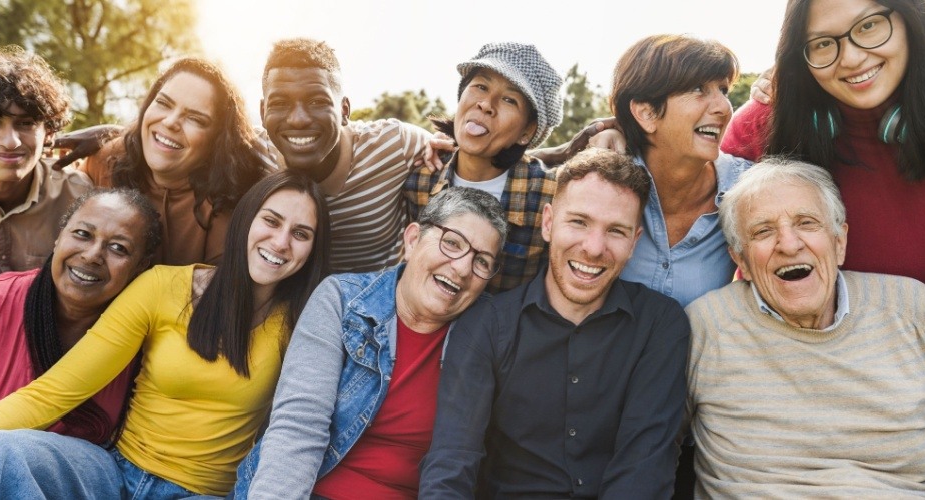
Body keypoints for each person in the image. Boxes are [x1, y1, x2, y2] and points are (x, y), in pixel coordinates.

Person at [0, 170, 329, 498]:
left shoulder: (303, 324)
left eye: (301, 234)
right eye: (270, 220)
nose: (281, 242)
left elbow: (300, 433)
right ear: (245, 221)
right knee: (4, 452)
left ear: (313, 249)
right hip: (114, 474)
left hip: (201, 493)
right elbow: (53, 392)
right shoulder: (162, 286)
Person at [685, 158, 925, 497]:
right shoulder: (706, 325)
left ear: (839, 242)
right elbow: (656, 448)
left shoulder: (913, 307)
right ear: (741, 261)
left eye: (807, 223)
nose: (789, 244)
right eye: (763, 231)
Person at [421, 148, 690, 498]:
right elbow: (453, 460)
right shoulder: (487, 325)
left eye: (616, 231)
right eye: (578, 222)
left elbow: (644, 470)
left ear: (634, 242)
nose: (593, 248)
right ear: (548, 223)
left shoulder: (660, 325)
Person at [720, 0, 925, 333]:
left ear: (911, 21)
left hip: (898, 359)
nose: (851, 59)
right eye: (822, 44)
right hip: (768, 351)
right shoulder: (763, 124)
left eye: (869, 26)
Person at [232, 187, 506, 499]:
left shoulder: (485, 332)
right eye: (452, 243)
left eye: (482, 261)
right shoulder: (342, 300)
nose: (463, 268)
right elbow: (298, 428)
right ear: (413, 239)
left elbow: (459, 464)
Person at [0, 188, 160, 446]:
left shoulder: (145, 343)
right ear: (58, 237)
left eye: (118, 248)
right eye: (82, 234)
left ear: (140, 267)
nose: (92, 255)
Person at [260, 38, 433, 273]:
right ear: (262, 112)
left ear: (344, 110)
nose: (298, 119)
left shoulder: (395, 145)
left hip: (379, 301)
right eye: (280, 103)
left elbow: (461, 155)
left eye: (316, 101)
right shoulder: (250, 153)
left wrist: (443, 148)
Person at [404, 42, 564, 293]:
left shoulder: (550, 195)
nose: (486, 104)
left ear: (527, 132)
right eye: (480, 86)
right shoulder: (419, 179)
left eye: (510, 100)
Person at [79, 57, 271, 266]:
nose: (170, 122)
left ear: (218, 139)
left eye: (195, 119)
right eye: (163, 103)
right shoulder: (108, 160)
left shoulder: (229, 205)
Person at [607, 35, 752, 308]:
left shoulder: (748, 191)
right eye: (698, 88)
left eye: (723, 90)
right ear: (646, 113)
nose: (723, 107)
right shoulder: (601, 184)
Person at [0, 45, 92, 276]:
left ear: (49, 133)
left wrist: (112, 133)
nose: (10, 142)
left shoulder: (79, 197)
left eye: (25, 124)